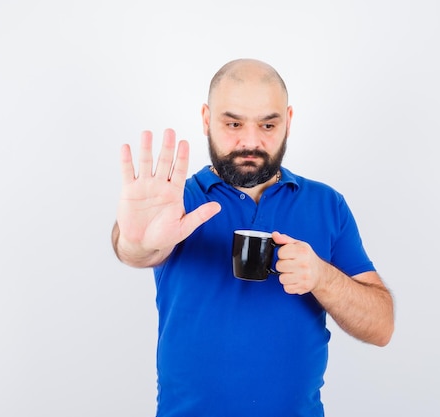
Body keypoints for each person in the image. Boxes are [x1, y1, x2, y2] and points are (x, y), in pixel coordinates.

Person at [111, 58, 394, 417]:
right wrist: (136, 242)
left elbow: (381, 327)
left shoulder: (327, 205)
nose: (250, 141)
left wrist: (322, 277)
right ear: (205, 119)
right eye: (232, 123)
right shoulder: (175, 200)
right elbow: (134, 250)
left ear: (288, 121)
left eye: (268, 124)